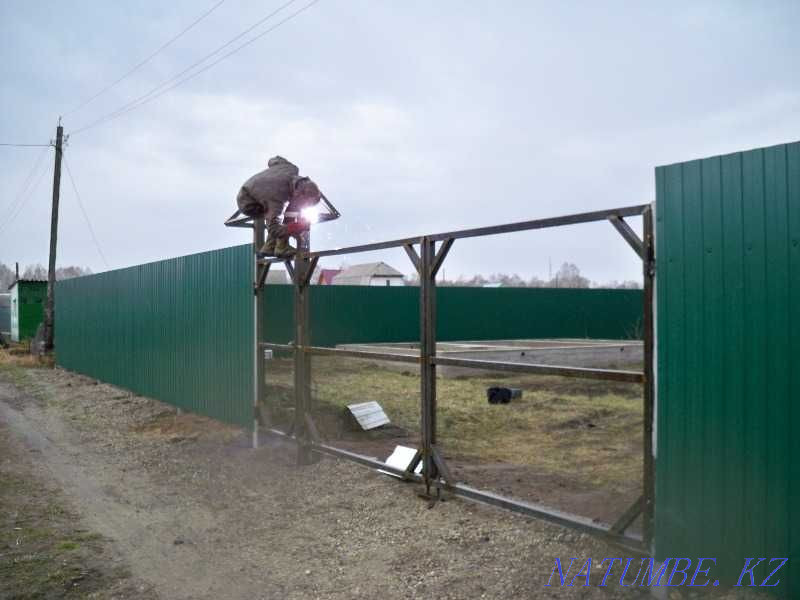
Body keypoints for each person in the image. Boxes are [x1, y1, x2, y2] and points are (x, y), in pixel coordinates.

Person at [236, 156, 321, 258]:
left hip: (259, 188)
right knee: (277, 221)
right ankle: (281, 248)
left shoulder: (292, 168)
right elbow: (274, 229)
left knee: (293, 207)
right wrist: (295, 226)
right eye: (304, 203)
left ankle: (269, 247)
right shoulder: (276, 198)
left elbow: (275, 160)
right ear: (300, 194)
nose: (303, 206)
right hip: (249, 202)